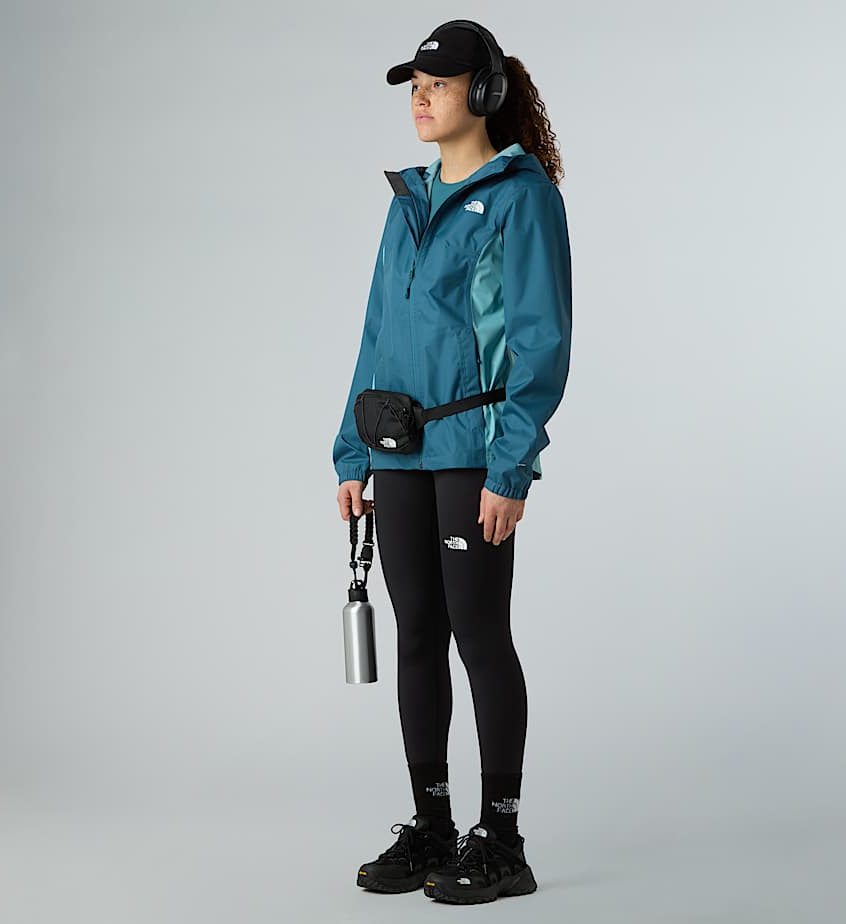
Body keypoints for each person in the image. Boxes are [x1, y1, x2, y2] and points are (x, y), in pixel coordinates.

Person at [332, 19, 572, 905]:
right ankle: (432, 825)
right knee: (417, 634)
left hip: (474, 452)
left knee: (479, 633)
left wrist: (512, 467)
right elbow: (376, 335)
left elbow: (542, 341)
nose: (421, 98)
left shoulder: (521, 197)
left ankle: (502, 840)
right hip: (399, 453)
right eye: (415, 85)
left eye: (438, 83)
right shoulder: (408, 200)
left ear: (487, 91)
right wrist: (351, 450)